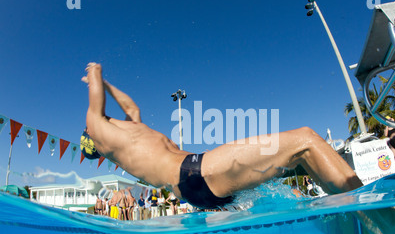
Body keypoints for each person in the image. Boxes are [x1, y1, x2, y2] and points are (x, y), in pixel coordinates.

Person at [81, 62, 362, 211]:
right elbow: (95, 89)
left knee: (299, 158)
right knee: (305, 140)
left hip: (195, 180)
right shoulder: (97, 128)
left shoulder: (128, 132)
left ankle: (355, 214)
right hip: (195, 173)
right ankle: (381, 217)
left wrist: (106, 84)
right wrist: (96, 73)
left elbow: (132, 107)